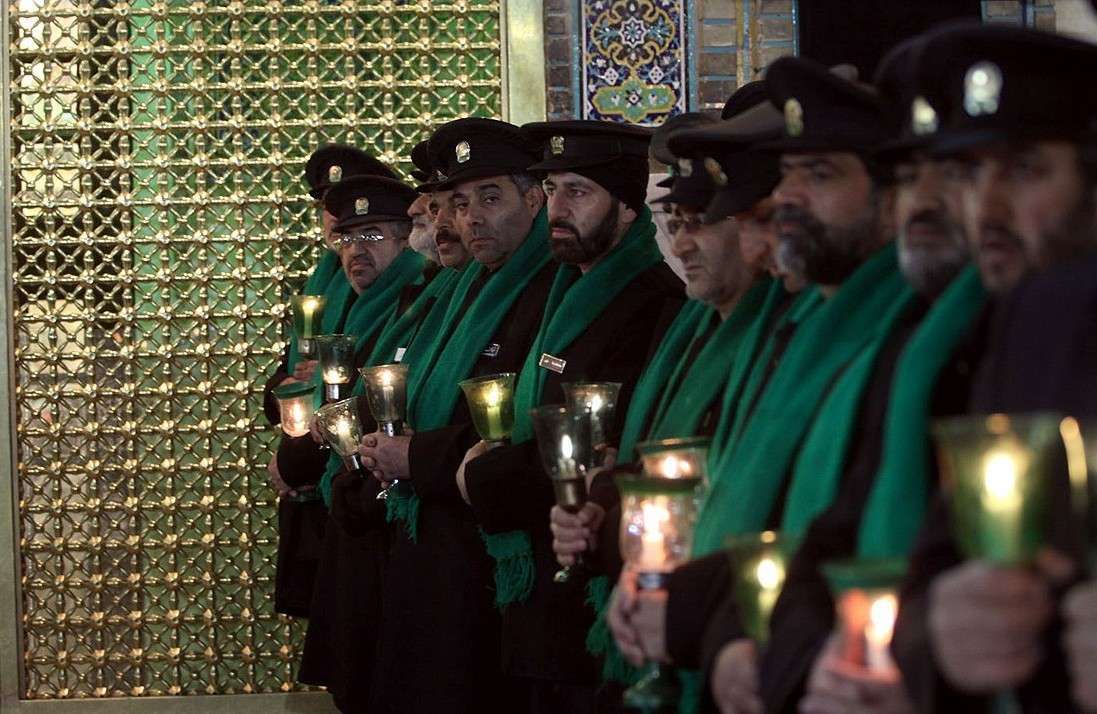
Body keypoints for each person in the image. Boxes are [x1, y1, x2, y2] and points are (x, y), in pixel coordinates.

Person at [609, 56, 915, 712]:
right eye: (785, 180)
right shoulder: (809, 324)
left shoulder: (907, 334)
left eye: (817, 175)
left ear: (895, 194)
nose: (786, 206)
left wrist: (701, 618)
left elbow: (848, 537)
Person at [887, 24, 1097, 714]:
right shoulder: (1023, 319)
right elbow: (942, 557)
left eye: (1026, 169)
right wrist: (934, 629)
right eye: (972, 173)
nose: (989, 209)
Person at [453, 119, 684, 712]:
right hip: (541, 580)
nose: (557, 208)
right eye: (552, 190)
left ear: (628, 208)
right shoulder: (567, 290)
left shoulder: (649, 300)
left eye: (577, 192)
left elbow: (595, 448)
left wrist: (475, 476)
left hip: (587, 589)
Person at [350, 117, 559, 714]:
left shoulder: (548, 286)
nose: (469, 220)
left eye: (490, 198)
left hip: (488, 553)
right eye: (461, 203)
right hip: (437, 542)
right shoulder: (471, 286)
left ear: (533, 198)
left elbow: (519, 427)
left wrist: (416, 455)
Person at [288, 173, 426, 711]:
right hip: (352, 504)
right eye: (345, 239)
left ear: (403, 237)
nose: (355, 252)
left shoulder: (415, 297)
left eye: (371, 236)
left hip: (386, 511)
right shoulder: (359, 305)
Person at [262, 145, 396, 428]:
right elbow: (291, 361)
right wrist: (286, 388)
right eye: (327, 205)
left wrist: (326, 378)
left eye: (345, 206)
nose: (335, 217)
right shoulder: (324, 277)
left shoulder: (380, 276)